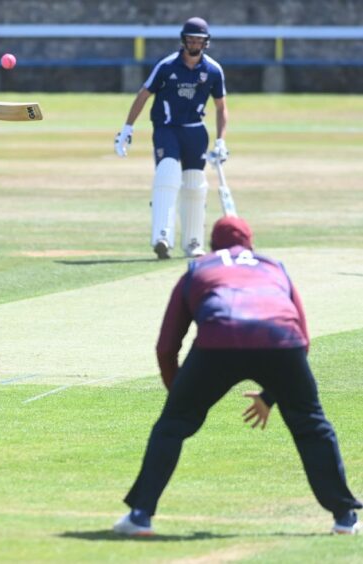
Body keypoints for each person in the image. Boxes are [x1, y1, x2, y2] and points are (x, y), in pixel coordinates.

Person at [113, 216, 361, 536]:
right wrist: (273, 394)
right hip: (281, 343)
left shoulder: (198, 268)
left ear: (213, 244)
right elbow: (303, 338)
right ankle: (344, 517)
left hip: (219, 340)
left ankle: (140, 516)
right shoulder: (274, 267)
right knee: (313, 426)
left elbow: (166, 347)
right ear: (251, 243)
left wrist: (180, 396)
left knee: (171, 428)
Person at [114, 17, 229, 260]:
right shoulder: (167, 66)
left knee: (195, 183)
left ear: (206, 43)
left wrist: (221, 141)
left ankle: (193, 242)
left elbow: (221, 107)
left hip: (196, 130)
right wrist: (127, 128)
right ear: (183, 40)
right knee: (167, 173)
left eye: (199, 40)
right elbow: (144, 94)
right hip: (166, 128)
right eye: (190, 39)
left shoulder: (213, 70)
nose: (194, 43)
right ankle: (162, 237)